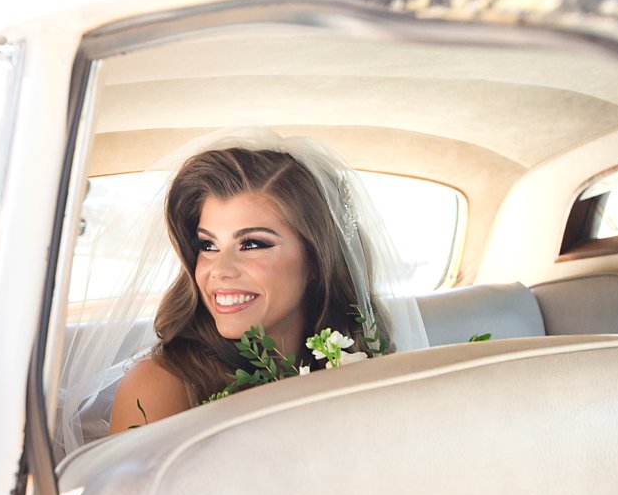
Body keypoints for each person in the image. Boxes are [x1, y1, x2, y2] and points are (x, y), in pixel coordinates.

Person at [53, 129, 426, 445]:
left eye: (251, 244)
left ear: (315, 259)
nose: (219, 270)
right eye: (208, 245)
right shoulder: (163, 384)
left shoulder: (365, 362)